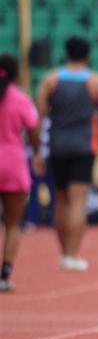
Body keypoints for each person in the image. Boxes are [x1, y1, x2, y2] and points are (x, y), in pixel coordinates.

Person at [35, 36, 98, 271]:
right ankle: (72, 253)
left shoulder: (51, 80)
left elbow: (37, 117)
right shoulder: (96, 82)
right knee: (78, 201)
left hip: (57, 145)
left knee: (60, 199)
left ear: (66, 53)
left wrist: (39, 149)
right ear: (88, 55)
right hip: (83, 146)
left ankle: (63, 252)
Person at [0, 53, 42, 291]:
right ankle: (5, 274)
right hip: (13, 163)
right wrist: (36, 153)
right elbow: (34, 131)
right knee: (13, 223)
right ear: (17, 73)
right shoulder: (21, 99)